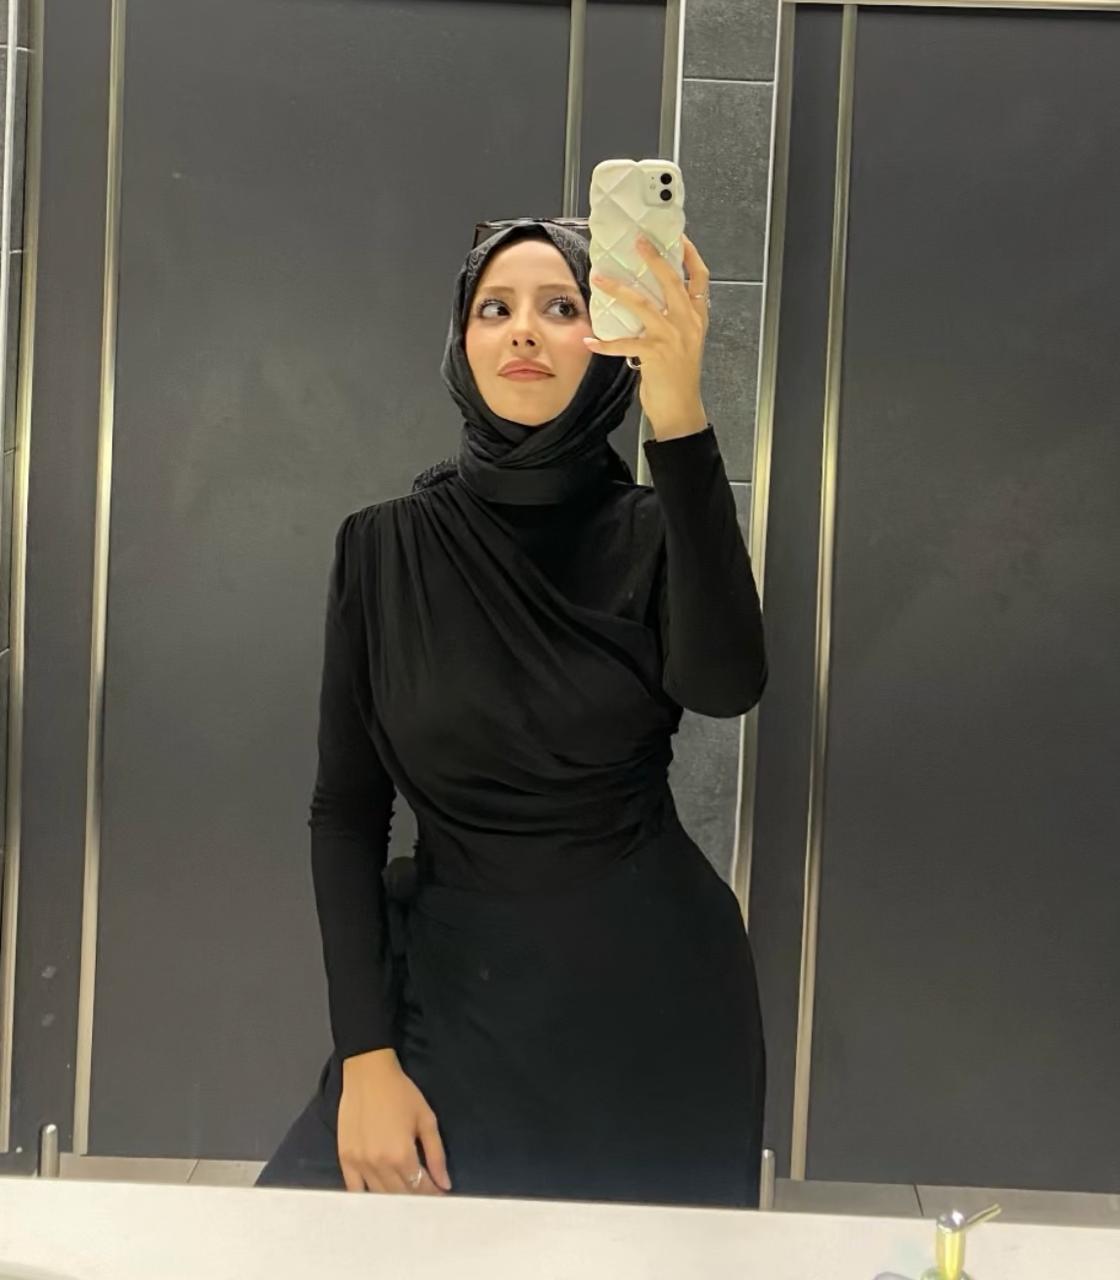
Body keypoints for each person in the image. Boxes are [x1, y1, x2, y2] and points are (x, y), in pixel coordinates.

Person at [257, 219, 768, 1207]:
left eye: (562, 306)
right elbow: (347, 813)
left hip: (655, 1008)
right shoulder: (383, 548)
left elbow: (726, 685)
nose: (524, 329)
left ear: (605, 344)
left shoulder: (657, 532)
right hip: (451, 996)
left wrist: (679, 413)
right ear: (463, 341)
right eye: (495, 308)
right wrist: (365, 1057)